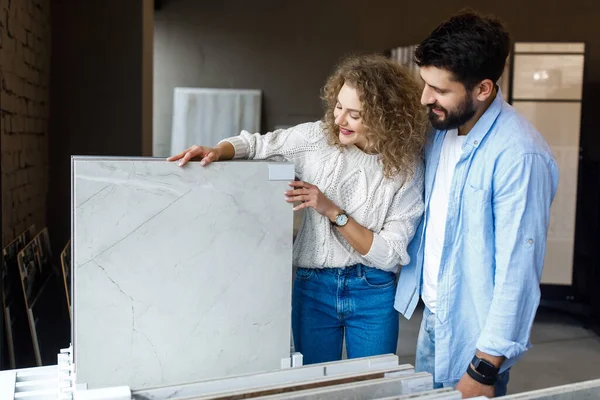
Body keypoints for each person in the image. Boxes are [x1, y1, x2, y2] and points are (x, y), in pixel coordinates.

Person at [168, 54, 428, 365]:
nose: (339, 120)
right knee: (313, 386)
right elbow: (258, 145)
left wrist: (332, 211)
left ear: (385, 115)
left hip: (373, 291)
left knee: (374, 386)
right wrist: (217, 150)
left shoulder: (407, 168)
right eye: (339, 106)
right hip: (313, 287)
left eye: (354, 114)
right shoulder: (316, 139)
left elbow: (389, 254)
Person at [394, 10, 560, 398]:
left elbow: (518, 273)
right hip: (434, 319)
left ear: (483, 89)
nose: (424, 98)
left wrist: (484, 367)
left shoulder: (519, 156)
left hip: (473, 341)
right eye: (425, 84)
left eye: (439, 89)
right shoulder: (443, 131)